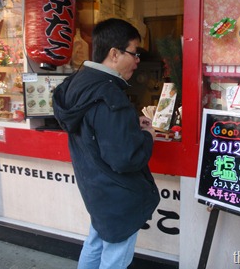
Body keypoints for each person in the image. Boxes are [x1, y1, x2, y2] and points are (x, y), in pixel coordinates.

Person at [52, 18, 160, 269]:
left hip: (96, 189)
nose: (137, 60)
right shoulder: (109, 94)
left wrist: (131, 125)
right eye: (134, 53)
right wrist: (147, 136)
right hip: (117, 195)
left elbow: (96, 130)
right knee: (115, 257)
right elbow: (125, 158)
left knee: (96, 242)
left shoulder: (76, 83)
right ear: (114, 53)